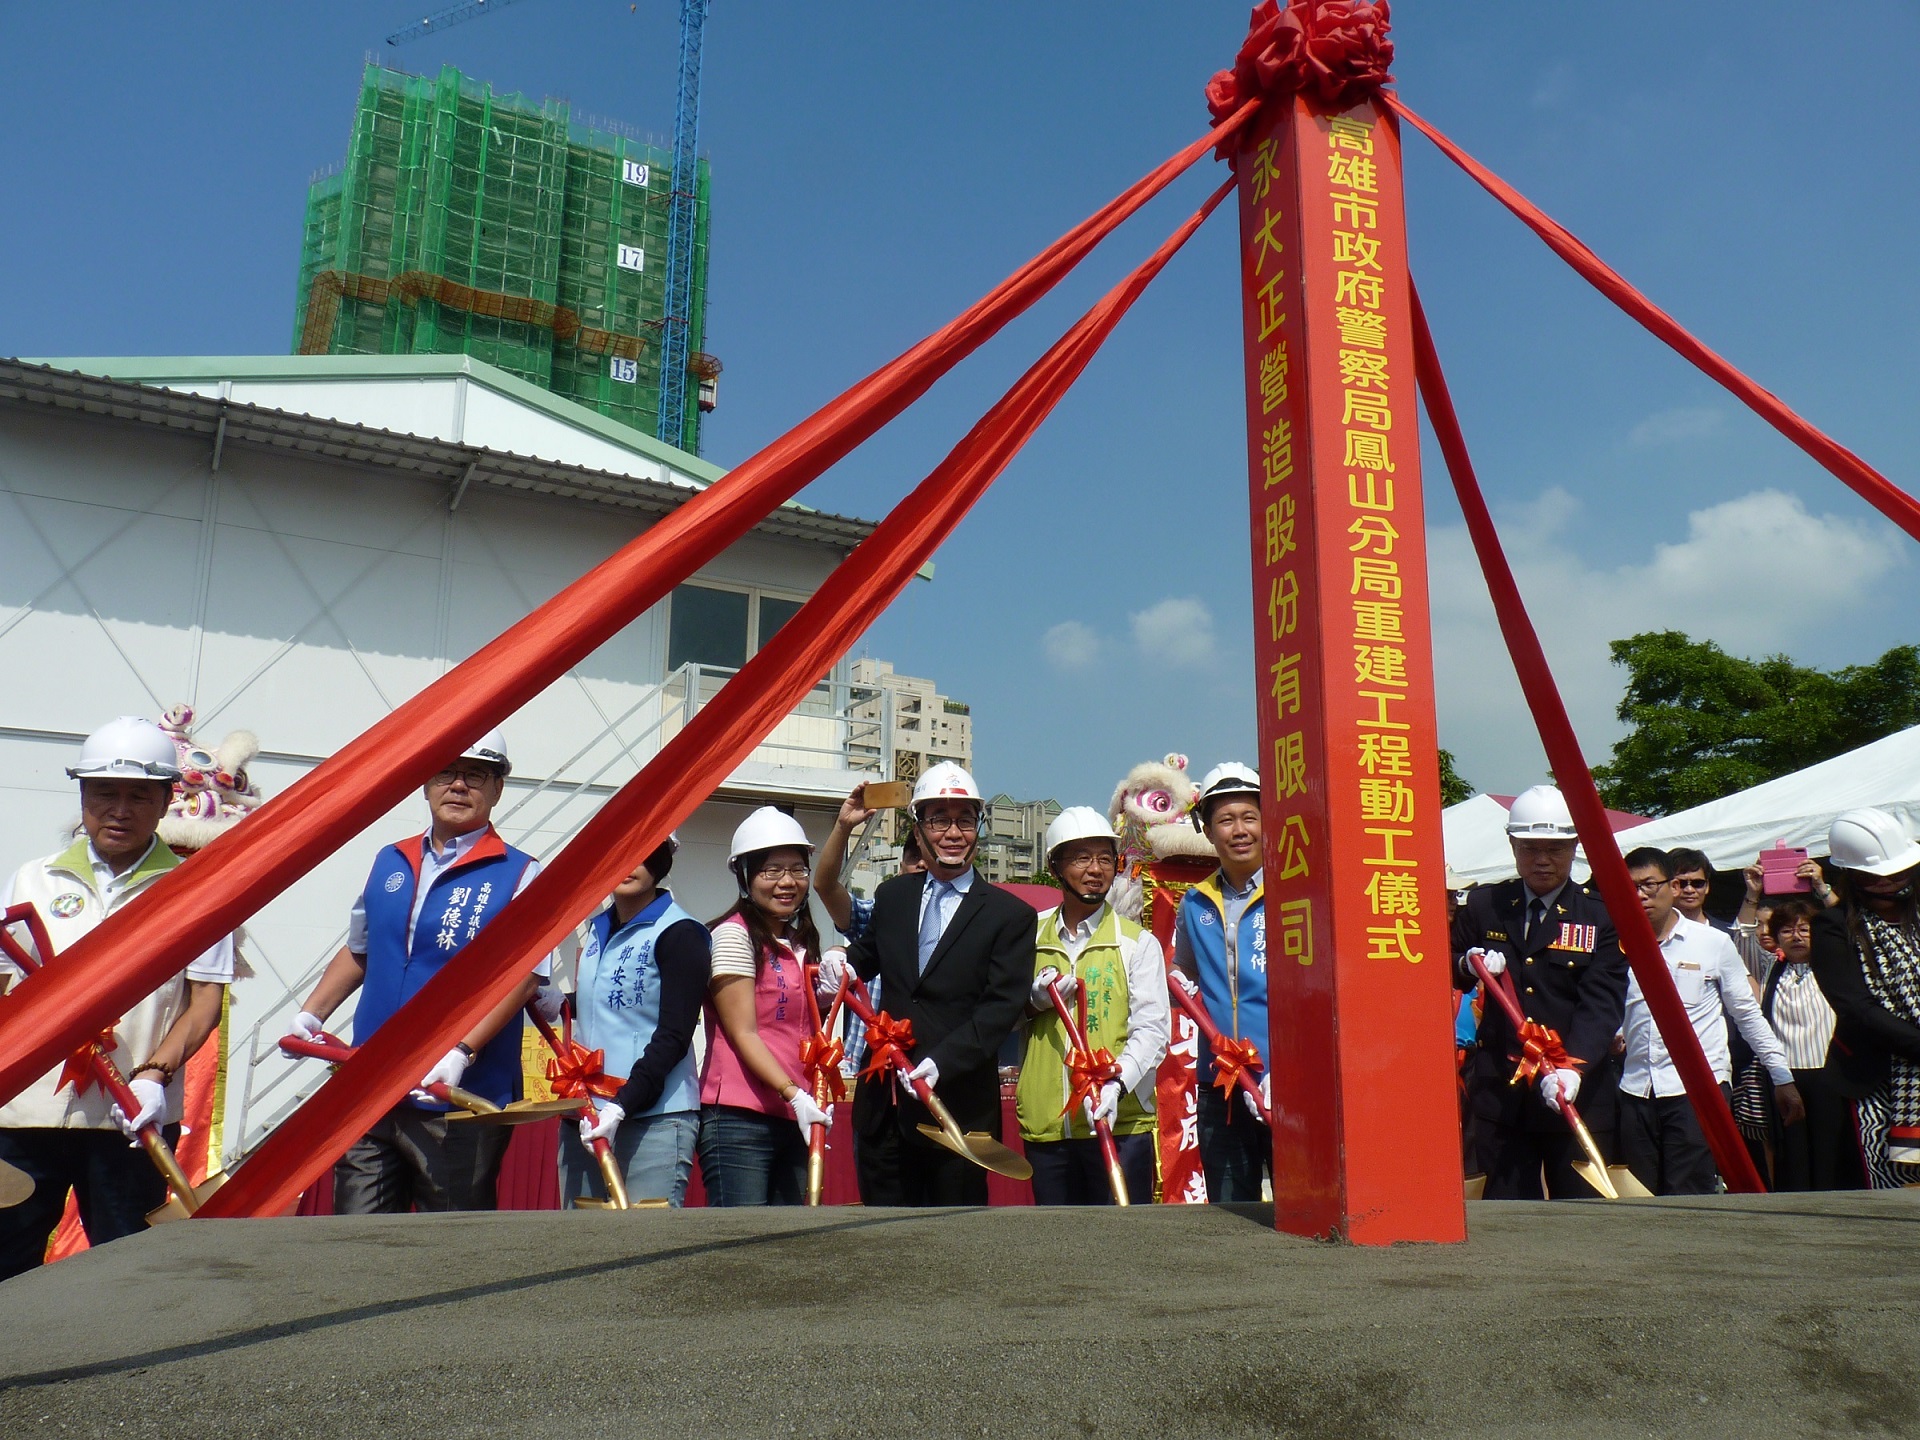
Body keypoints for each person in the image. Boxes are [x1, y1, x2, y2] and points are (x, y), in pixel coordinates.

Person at [0, 718, 237, 1280]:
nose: (119, 809)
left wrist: (157, 1075)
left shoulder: (198, 888)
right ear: (82, 796)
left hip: (133, 1118)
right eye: (105, 792)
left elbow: (203, 1003)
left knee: (126, 1270)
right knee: (7, 1259)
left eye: (139, 795)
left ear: (165, 802)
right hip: (26, 1112)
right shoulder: (34, 878)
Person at [289, 731, 547, 1213]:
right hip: (370, 1079)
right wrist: (311, 1015)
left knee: (445, 1250)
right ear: (425, 785)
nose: (458, 785)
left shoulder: (519, 873)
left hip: (459, 1094)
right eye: (445, 772)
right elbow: (362, 950)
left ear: (497, 790)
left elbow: (525, 977)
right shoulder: (391, 859)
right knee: (356, 1231)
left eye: (476, 775)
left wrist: (462, 1050)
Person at [845, 762, 1037, 1205]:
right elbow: (868, 956)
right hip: (886, 1108)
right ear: (918, 829)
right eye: (939, 820)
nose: (953, 833)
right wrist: (843, 962)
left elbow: (999, 1008)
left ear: (979, 828)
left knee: (954, 1251)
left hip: (958, 1112)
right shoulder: (893, 897)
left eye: (965, 820)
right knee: (881, 1242)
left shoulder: (1010, 916)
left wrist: (941, 1061)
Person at [1451, 784, 1629, 1200]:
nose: (1542, 860)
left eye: (1555, 848)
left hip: (1574, 1090)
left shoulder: (1599, 916)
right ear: (1513, 846)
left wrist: (1574, 1067)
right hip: (1503, 1093)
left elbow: (1601, 1001)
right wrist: (1466, 962)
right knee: (1505, 1211)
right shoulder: (1485, 905)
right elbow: (1446, 967)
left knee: (1583, 1213)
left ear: (1574, 847)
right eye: (1530, 848)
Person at [1616, 847, 1803, 1194]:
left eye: (1649, 885)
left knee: (1688, 1193)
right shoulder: (1618, 945)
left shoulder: (1712, 943)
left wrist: (1780, 1076)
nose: (1640, 895)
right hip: (1637, 1087)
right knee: (1638, 1195)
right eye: (1631, 887)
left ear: (1672, 886)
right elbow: (1626, 1007)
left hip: (1697, 1089)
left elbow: (1746, 1014)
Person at [1015, 807, 1170, 1205]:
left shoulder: (1137, 942)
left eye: (1105, 858)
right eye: (1081, 858)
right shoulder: (1026, 934)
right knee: (1060, 1254)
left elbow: (1153, 1031)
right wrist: (1031, 1003)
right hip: (1048, 1126)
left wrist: (1117, 1085)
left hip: (1121, 1125)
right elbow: (998, 1015)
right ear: (1054, 865)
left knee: (1124, 1250)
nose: (1095, 869)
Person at [551, 834, 709, 1207]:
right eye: (617, 853)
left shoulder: (680, 933)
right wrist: (560, 1004)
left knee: (644, 1247)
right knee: (579, 1246)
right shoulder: (597, 927)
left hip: (653, 1118)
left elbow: (674, 1033)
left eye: (641, 854)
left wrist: (622, 1105)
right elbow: (606, 1004)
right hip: (587, 1114)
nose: (627, 865)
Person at [696, 807, 835, 1206]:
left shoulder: (799, 941)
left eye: (797, 869)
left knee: (789, 1246)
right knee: (739, 1244)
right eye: (771, 871)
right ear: (744, 877)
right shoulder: (732, 937)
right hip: (741, 1118)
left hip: (795, 1114)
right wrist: (793, 1093)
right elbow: (744, 1032)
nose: (787, 882)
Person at [1171, 762, 1271, 1203]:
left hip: (1285, 1078)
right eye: (1225, 821)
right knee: (1231, 1209)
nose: (1239, 830)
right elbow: (1188, 975)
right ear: (1208, 831)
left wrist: (1286, 1068)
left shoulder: (1297, 890)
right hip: (1220, 1084)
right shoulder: (1194, 902)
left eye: (1249, 817)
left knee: (1303, 1203)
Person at [1808, 807, 1920, 1188]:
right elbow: (1855, 1007)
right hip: (1873, 1081)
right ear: (1854, 877)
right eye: (1881, 876)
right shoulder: (1833, 927)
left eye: (1900, 873)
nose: (1892, 882)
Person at [1748, 895, 1861, 1191]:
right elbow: (1743, 939)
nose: (1796, 936)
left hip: (1828, 1074)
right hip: (1786, 1077)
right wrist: (1753, 892)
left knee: (1829, 1152)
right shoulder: (1771, 968)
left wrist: (1822, 888)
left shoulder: (1835, 966)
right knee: (1791, 1153)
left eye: (1805, 929)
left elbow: (1854, 924)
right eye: (1787, 930)